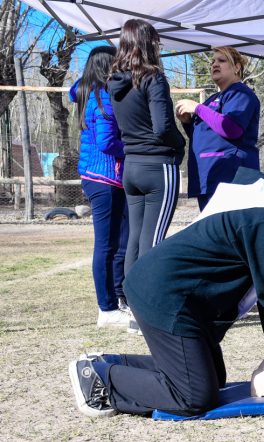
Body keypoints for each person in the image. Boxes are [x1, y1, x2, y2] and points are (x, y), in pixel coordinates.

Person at [68, 144, 264, 418]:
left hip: (172, 293)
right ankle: (101, 379)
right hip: (165, 296)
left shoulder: (260, 195)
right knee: (194, 394)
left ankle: (109, 363)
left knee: (213, 377)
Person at [108, 19, 185, 275]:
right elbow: (162, 127)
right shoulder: (153, 79)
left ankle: (132, 301)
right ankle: (147, 305)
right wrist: (181, 142)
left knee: (136, 238)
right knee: (153, 242)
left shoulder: (115, 83)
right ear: (148, 43)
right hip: (157, 167)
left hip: (131, 167)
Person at [69, 46, 131, 328]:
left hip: (96, 176)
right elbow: (107, 143)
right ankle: (106, 309)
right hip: (104, 176)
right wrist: (131, 148)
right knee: (106, 246)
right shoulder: (102, 95)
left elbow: (74, 88)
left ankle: (116, 299)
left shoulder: (85, 91)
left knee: (115, 243)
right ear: (108, 65)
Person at [175, 47, 261, 211]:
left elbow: (231, 129)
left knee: (227, 234)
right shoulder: (212, 99)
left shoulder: (241, 94)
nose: (214, 64)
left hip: (229, 179)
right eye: (213, 61)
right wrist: (187, 122)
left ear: (237, 68)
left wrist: (197, 108)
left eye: (222, 61)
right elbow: (205, 138)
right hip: (207, 178)